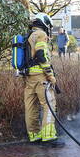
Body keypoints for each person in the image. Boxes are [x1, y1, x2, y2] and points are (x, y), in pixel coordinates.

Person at [24, 12, 64, 147]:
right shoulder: (41, 34)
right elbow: (41, 55)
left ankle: (34, 135)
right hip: (41, 76)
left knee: (31, 106)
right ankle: (48, 137)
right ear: (45, 23)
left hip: (29, 77)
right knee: (49, 104)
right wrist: (50, 75)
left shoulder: (29, 35)